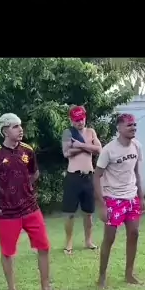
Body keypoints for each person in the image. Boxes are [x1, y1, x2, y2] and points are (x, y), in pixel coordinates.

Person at [0, 113, 63, 290]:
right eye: (15, 126)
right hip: (7, 212)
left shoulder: (28, 150)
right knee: (7, 252)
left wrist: (24, 187)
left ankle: (45, 289)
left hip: (30, 208)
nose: (20, 130)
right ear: (5, 131)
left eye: (20, 126)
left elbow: (35, 173)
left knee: (44, 247)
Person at [94, 113, 145, 289]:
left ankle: (129, 274)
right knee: (109, 238)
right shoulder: (108, 150)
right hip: (113, 199)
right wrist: (102, 205)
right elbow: (96, 177)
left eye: (134, 125)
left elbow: (136, 172)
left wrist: (141, 197)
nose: (133, 128)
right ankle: (102, 277)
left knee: (134, 234)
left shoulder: (137, 146)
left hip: (132, 198)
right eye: (129, 125)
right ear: (119, 128)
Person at [61, 105, 102, 254]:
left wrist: (79, 145)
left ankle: (88, 241)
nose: (80, 122)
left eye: (82, 119)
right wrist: (87, 147)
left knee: (88, 212)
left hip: (88, 177)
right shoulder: (68, 133)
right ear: (71, 120)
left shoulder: (91, 132)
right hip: (73, 176)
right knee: (70, 213)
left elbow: (99, 149)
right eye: (77, 120)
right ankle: (69, 243)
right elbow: (66, 153)